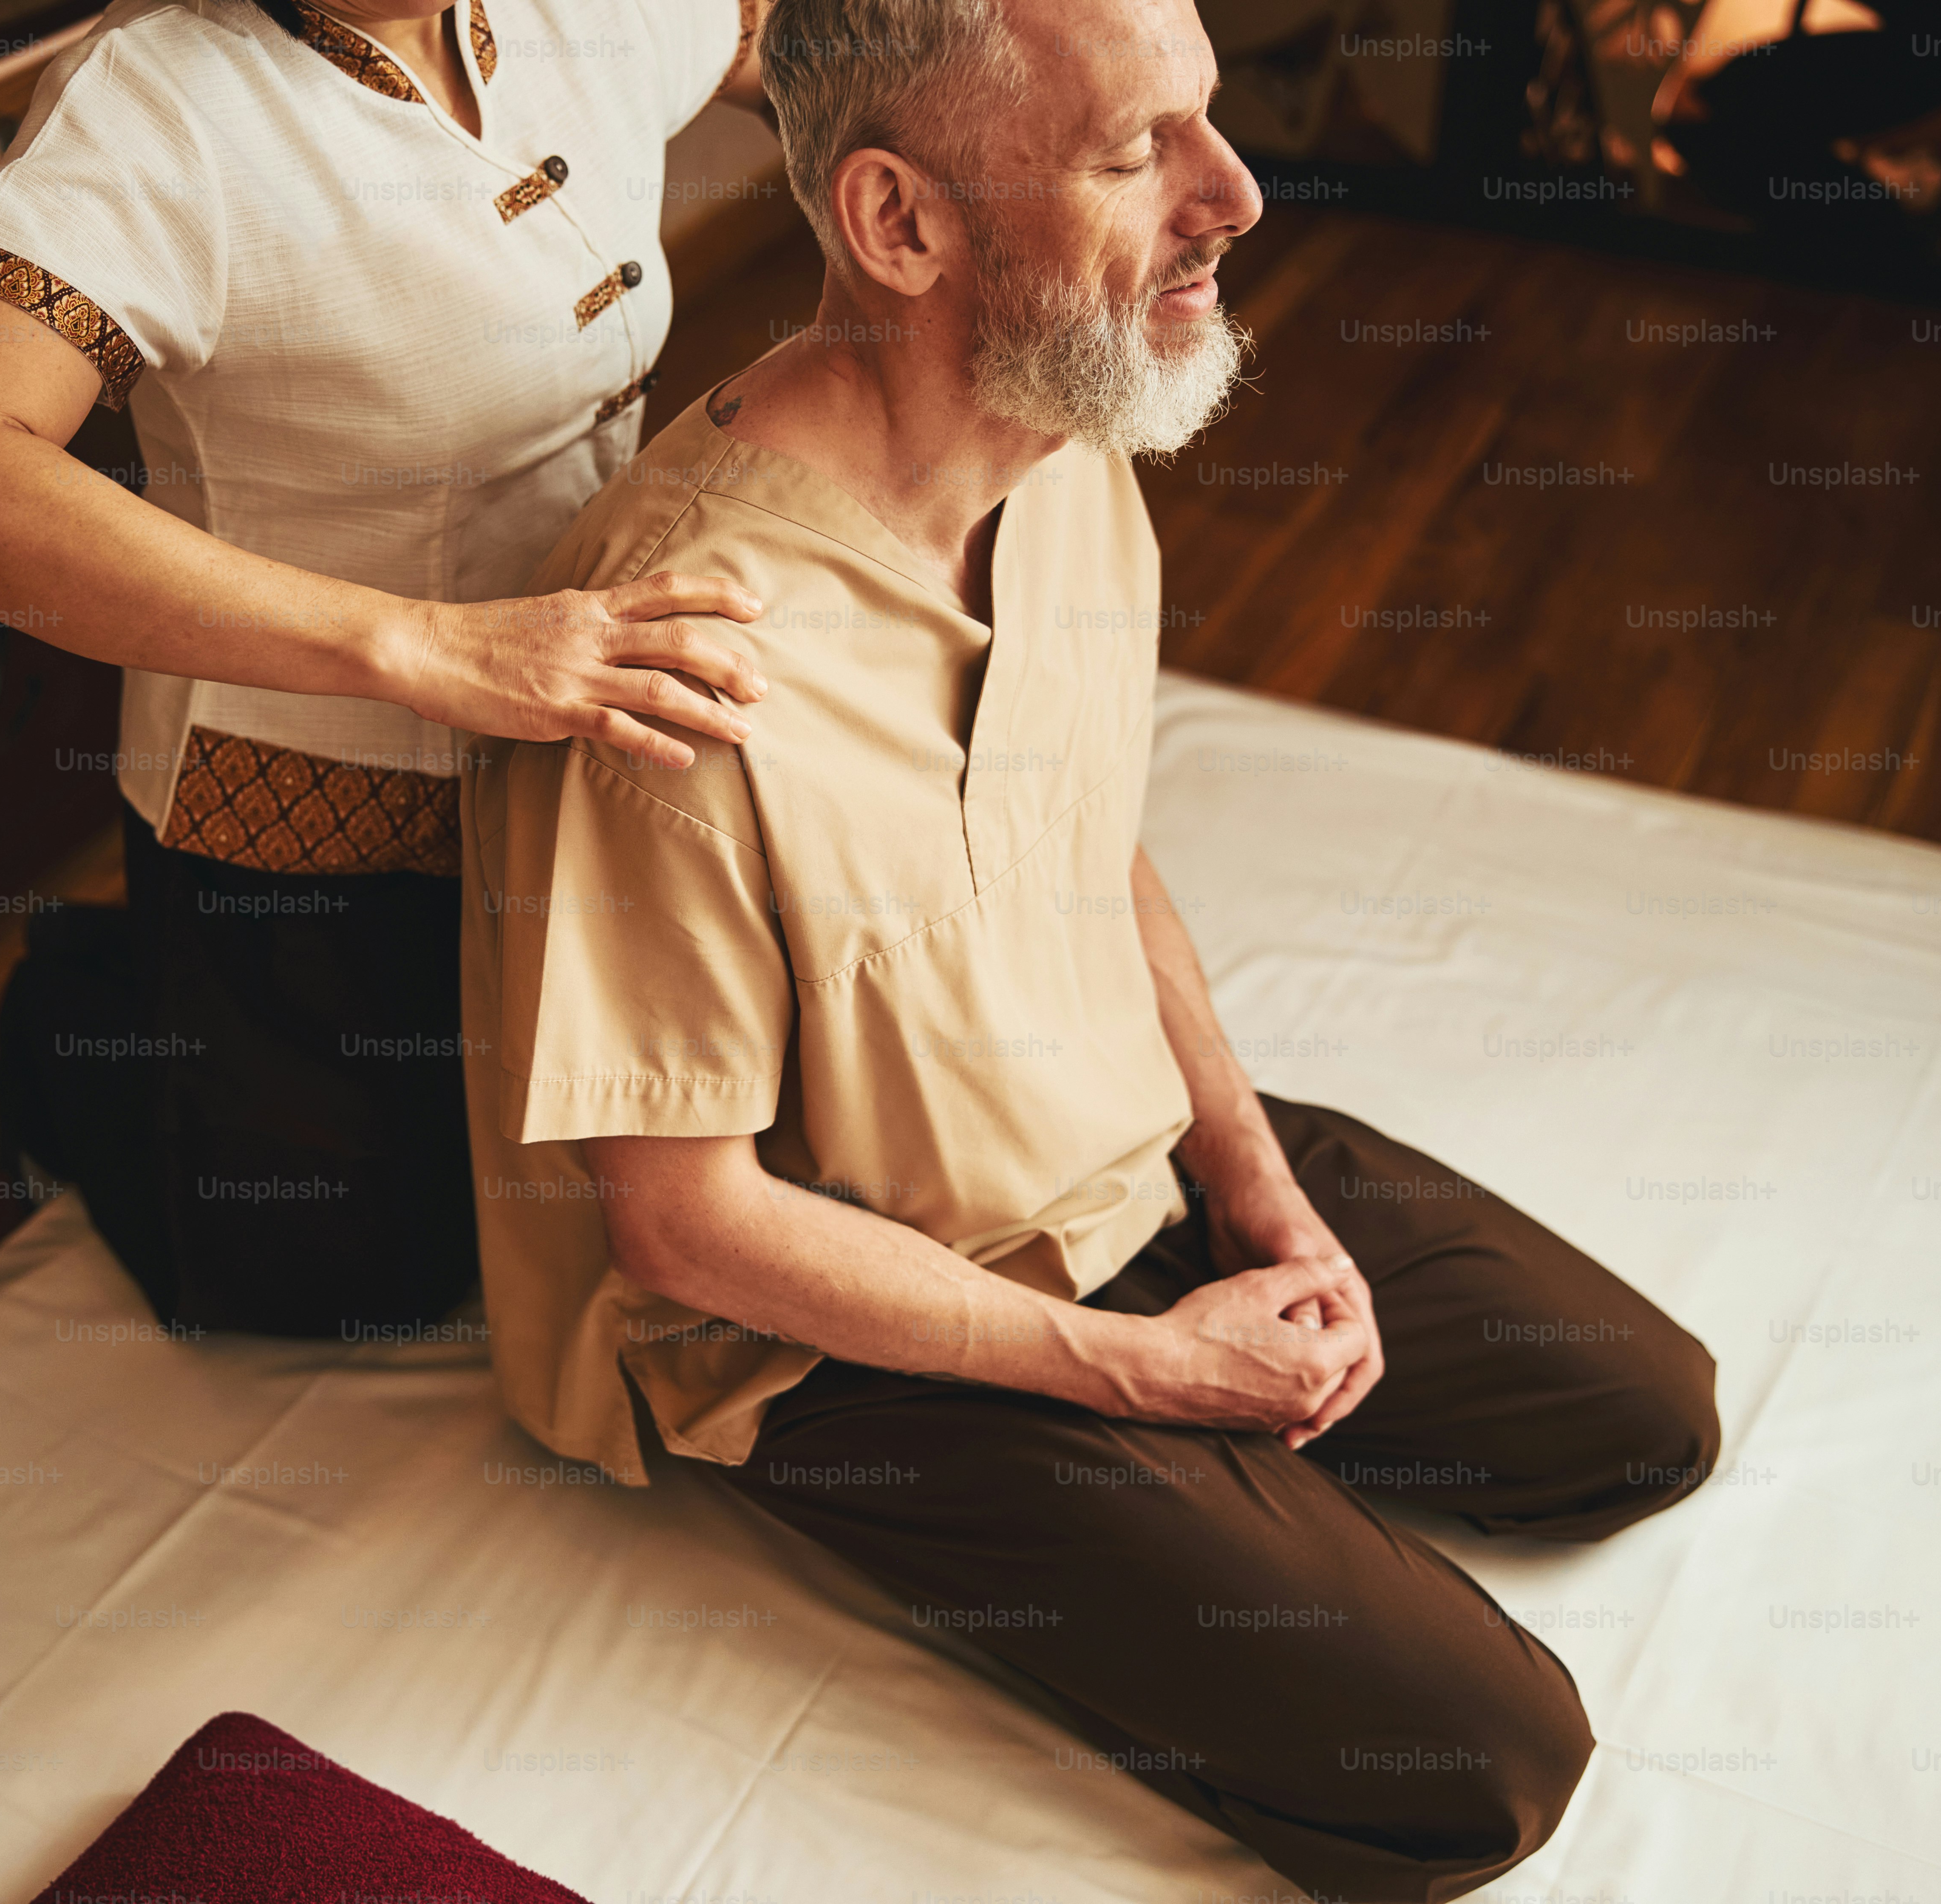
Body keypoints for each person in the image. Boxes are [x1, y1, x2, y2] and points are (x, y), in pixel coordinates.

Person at [456, 0, 1723, 1895]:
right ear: (901, 227)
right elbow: (689, 1228)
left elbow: (1091, 844)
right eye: (1138, 153)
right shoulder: (682, 641)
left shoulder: (1072, 435)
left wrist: (1264, 1194)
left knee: (1645, 1416)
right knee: (1483, 1766)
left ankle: (1222, 1426)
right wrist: (1143, 1380)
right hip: (852, 1317)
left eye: (1207, 124)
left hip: (1114, 1150)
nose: (1237, 194)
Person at [0, 0, 777, 1333]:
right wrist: (420, 646)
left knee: (569, 1197)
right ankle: (72, 1012)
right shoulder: (154, 99)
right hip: (299, 798)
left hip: (568, 734)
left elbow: (761, 39)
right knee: (342, 1284)